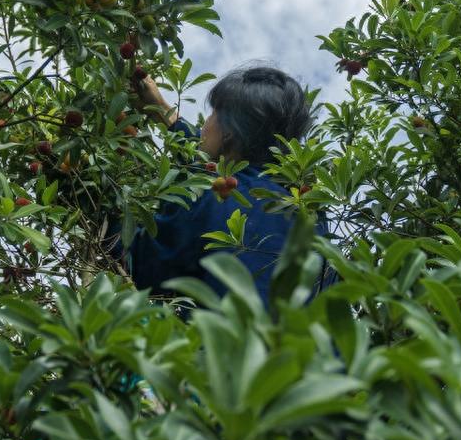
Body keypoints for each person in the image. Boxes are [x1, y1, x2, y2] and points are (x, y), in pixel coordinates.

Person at [122, 64, 321, 305]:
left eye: (212, 114)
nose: (205, 123)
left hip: (226, 341)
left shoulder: (205, 196)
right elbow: (215, 163)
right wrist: (165, 112)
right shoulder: (314, 217)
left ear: (228, 133)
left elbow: (140, 265)